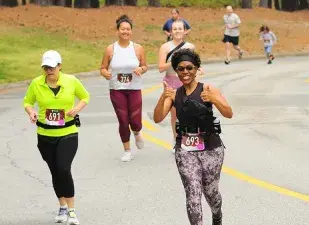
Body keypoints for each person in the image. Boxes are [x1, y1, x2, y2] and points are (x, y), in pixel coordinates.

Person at [153, 48, 233, 225]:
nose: (185, 72)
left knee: (211, 194)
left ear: (197, 69)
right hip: (185, 150)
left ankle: (217, 215)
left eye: (189, 68)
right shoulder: (174, 94)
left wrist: (214, 99)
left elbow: (229, 113)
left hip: (211, 148)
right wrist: (163, 96)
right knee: (193, 195)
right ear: (176, 70)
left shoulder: (208, 88)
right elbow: (157, 118)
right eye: (180, 68)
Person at [23, 50, 90, 225]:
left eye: (52, 67)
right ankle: (62, 206)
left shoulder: (71, 81)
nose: (49, 70)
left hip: (68, 132)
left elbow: (85, 97)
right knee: (55, 171)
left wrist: (77, 108)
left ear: (59, 66)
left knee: (63, 168)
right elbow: (27, 102)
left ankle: (72, 211)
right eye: (45, 67)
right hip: (45, 135)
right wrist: (31, 112)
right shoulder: (36, 84)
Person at [100, 14, 148, 162]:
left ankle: (137, 131)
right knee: (123, 119)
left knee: (134, 119)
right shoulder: (110, 49)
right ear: (117, 31)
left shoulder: (138, 48)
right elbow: (102, 68)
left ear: (131, 31)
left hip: (134, 88)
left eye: (128, 29)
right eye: (123, 29)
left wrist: (141, 69)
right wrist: (106, 73)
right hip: (116, 88)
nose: (125, 31)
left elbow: (145, 66)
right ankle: (127, 150)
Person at [158, 19, 198, 153]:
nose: (177, 31)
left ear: (185, 31)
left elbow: (195, 64)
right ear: (170, 32)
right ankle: (177, 141)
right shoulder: (165, 47)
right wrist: (176, 60)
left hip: (188, 83)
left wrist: (199, 69)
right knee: (175, 115)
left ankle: (190, 140)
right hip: (172, 82)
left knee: (190, 113)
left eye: (180, 28)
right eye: (174, 29)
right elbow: (160, 67)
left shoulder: (190, 47)